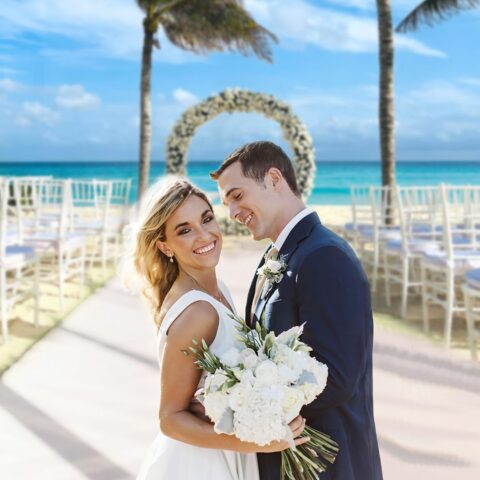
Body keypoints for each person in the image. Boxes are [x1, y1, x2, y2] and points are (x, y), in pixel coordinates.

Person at [211, 141, 383, 480]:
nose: (231, 212)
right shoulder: (278, 255)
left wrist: (248, 401)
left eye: (237, 196)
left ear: (274, 179)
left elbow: (336, 378)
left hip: (327, 465)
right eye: (226, 202)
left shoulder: (324, 257)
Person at [131, 178, 308, 480]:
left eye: (207, 219)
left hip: (221, 451)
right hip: (200, 465)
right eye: (184, 230)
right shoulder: (198, 312)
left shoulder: (217, 290)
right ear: (164, 245)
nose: (204, 235)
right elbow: (170, 418)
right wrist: (256, 441)